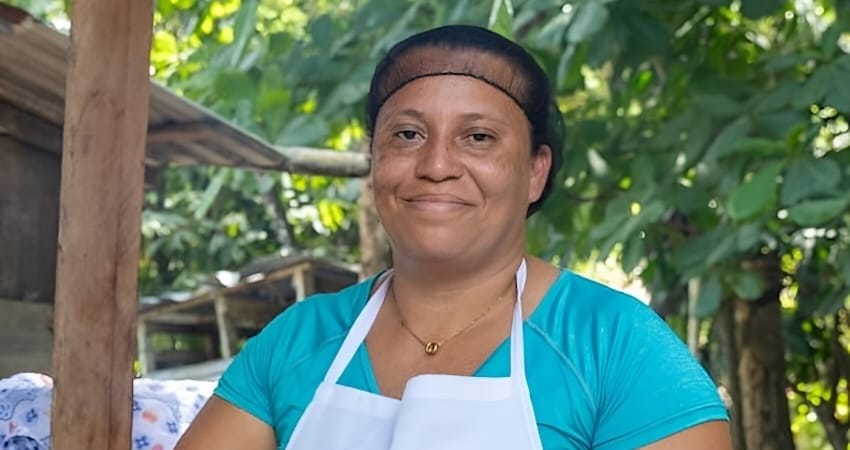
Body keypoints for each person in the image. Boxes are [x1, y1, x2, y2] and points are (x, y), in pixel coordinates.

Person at [175, 24, 732, 450]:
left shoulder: (614, 345)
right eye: (408, 134)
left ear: (535, 171)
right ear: (375, 159)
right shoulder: (298, 340)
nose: (437, 165)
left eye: (479, 137)